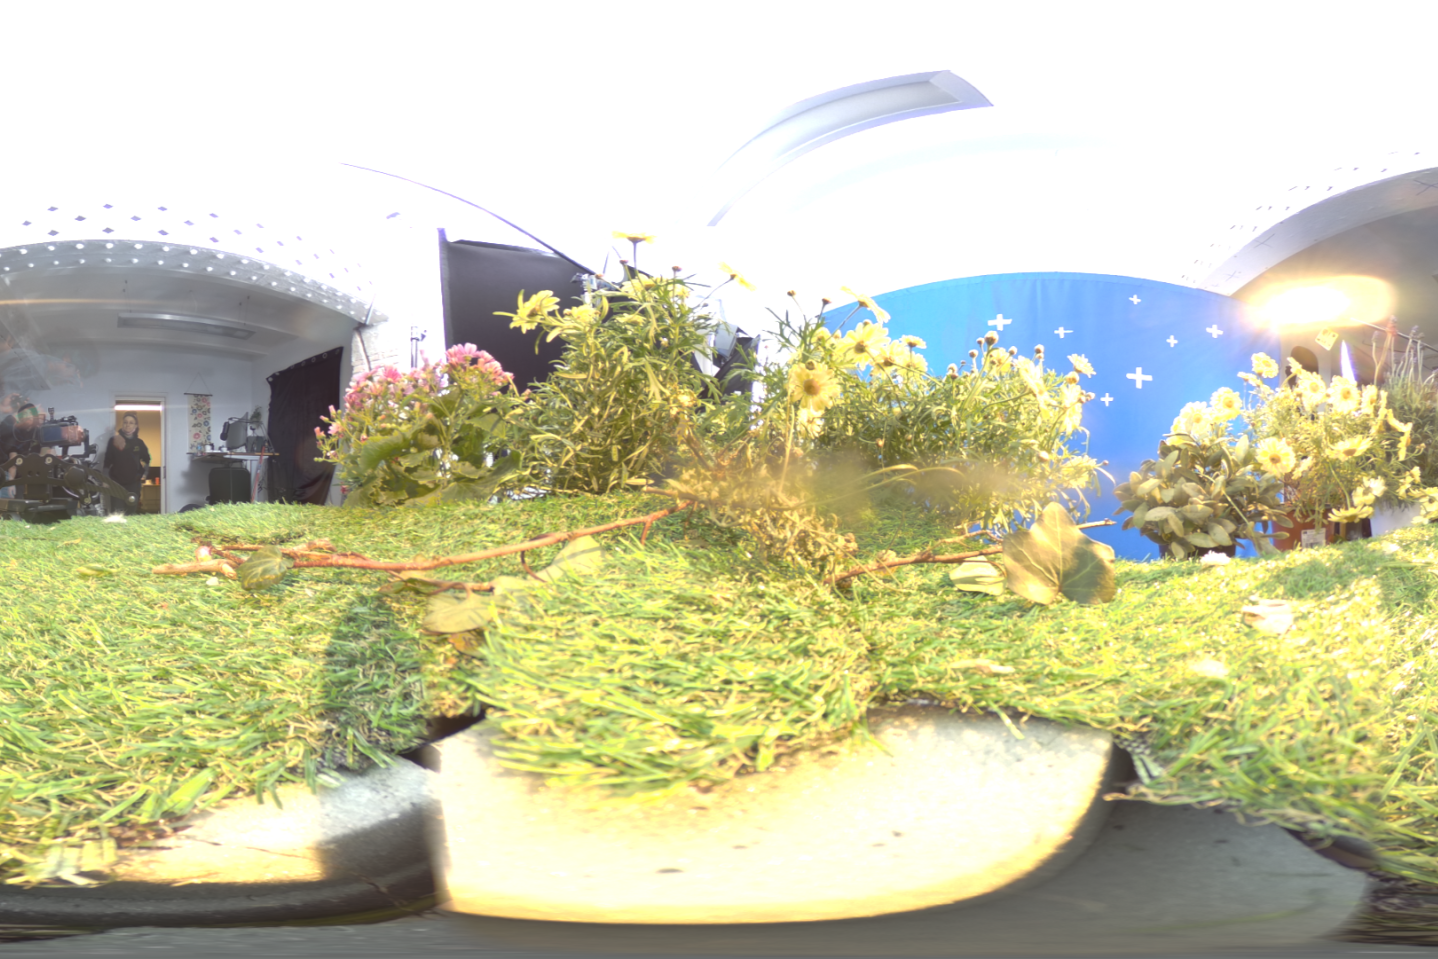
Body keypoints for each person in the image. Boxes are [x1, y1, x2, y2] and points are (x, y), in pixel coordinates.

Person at [104, 413, 151, 515]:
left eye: (131, 423)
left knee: (130, 513)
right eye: (125, 422)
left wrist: (144, 474)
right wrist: (105, 479)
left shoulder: (139, 443)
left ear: (135, 426)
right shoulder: (114, 441)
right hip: (116, 483)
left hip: (133, 484)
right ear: (122, 424)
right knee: (116, 513)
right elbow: (107, 462)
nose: (127, 425)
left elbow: (147, 460)